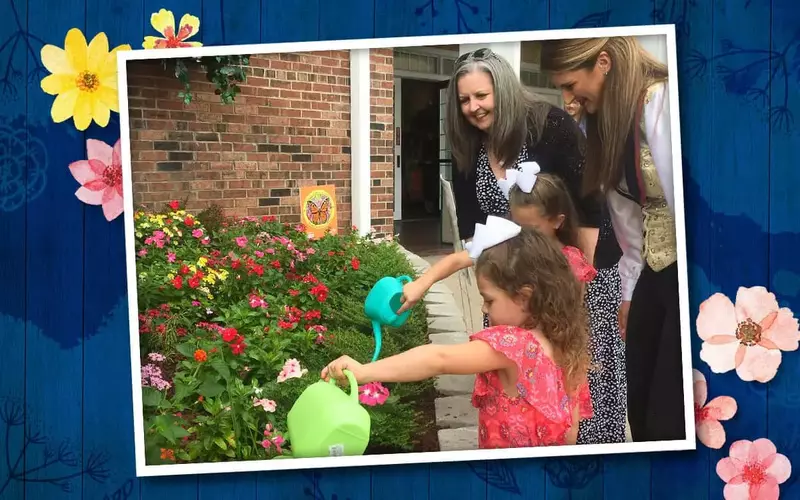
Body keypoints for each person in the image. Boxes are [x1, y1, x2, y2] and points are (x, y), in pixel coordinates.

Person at [399, 165, 628, 445]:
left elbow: (572, 312)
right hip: (515, 345)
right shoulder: (510, 250)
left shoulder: (567, 261)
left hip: (545, 354)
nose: (522, 235)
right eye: (517, 225)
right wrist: (420, 285)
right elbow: (457, 260)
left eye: (530, 228)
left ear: (557, 221)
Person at [323, 224, 593, 449]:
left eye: (489, 300)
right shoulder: (566, 347)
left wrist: (364, 372)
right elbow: (571, 434)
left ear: (524, 296)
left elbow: (437, 358)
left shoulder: (516, 346)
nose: (484, 308)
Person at [540, 36, 684, 443]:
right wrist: (630, 291)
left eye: (570, 85)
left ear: (603, 63)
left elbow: (685, 203)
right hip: (652, 276)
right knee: (639, 401)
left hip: (686, 274)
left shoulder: (661, 104)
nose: (568, 97)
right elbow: (628, 216)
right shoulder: (605, 125)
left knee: (670, 410)